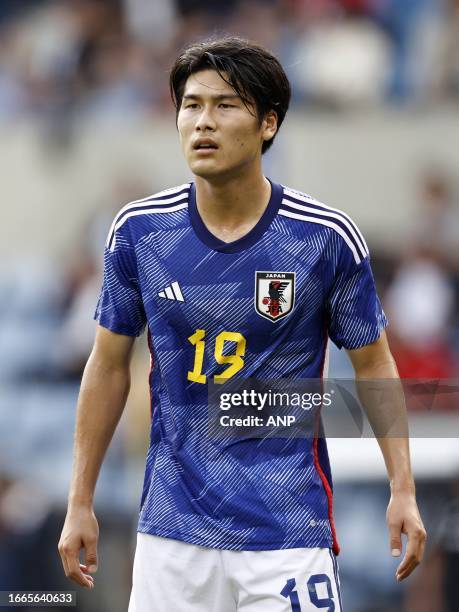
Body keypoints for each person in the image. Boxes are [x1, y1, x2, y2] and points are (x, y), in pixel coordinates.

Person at [58, 36, 426, 611]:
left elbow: (374, 363)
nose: (203, 121)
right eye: (191, 105)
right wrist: (79, 499)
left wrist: (402, 488)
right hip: (172, 532)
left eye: (225, 105)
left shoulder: (324, 238)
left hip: (287, 530)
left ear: (268, 125)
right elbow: (106, 366)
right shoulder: (138, 233)